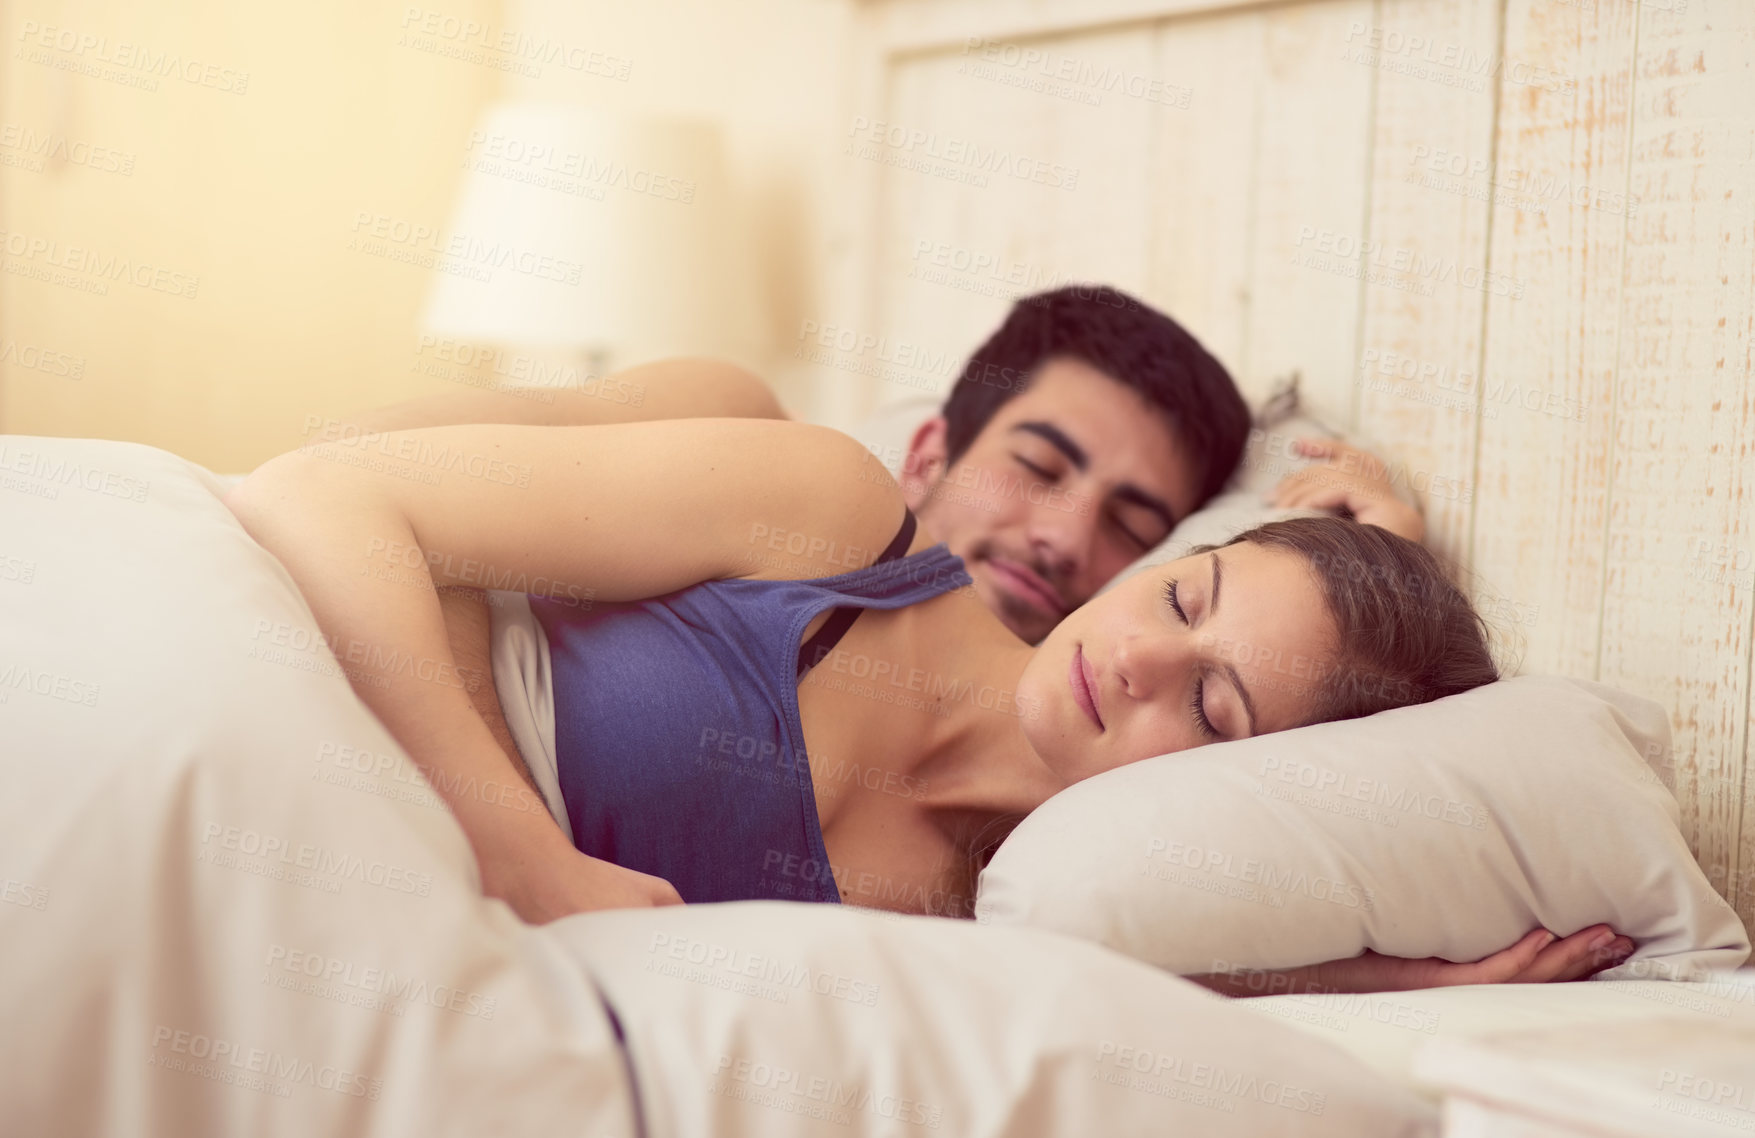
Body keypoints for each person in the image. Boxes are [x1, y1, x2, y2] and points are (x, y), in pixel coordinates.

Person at [224, 409, 1634, 995]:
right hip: (266, 673)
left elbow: (1272, 932)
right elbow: (324, 491)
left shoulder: (1010, 930)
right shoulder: (835, 524)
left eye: (1209, 715)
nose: (1135, 660)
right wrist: (522, 858)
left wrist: (1412, 981)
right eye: (1184, 595)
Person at [344, 285, 1424, 645]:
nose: (1066, 537)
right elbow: (360, 454)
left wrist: (1390, 571)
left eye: (1133, 527)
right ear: (926, 454)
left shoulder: (1055, 738)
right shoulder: (746, 433)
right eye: (1040, 465)